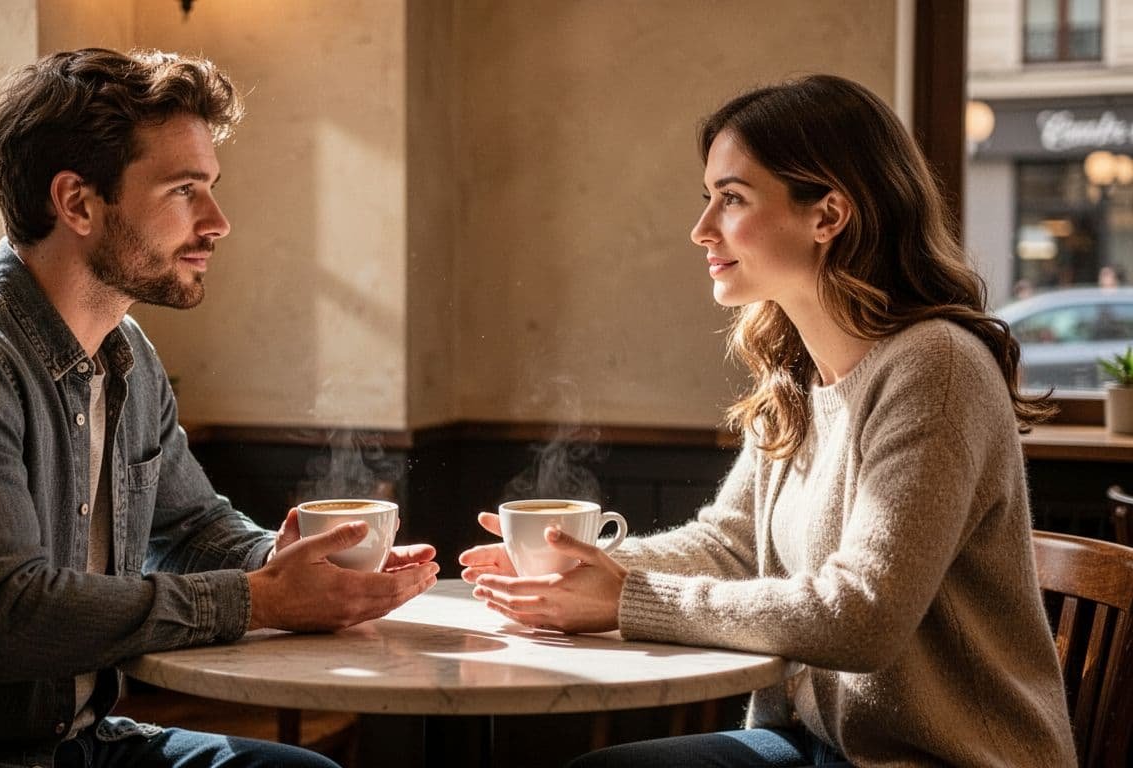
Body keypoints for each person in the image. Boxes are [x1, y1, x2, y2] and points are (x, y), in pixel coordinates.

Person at [0, 47, 439, 768]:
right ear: (77, 202)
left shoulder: (123, 351)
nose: (218, 221)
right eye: (184, 190)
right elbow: (8, 620)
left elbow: (192, 525)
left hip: (81, 745)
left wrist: (291, 561)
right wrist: (263, 600)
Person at [460, 74, 1077, 767]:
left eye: (732, 199)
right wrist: (575, 570)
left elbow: (862, 616)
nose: (701, 230)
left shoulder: (938, 368)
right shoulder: (797, 371)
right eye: (709, 199)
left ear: (828, 215)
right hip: (818, 742)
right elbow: (731, 544)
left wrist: (626, 597)